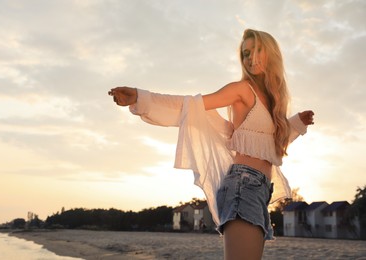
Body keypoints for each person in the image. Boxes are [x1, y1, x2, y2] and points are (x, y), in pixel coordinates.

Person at [109, 29, 314, 260]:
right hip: (243, 186)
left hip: (260, 190)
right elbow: (191, 105)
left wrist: (296, 123)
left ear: (271, 54)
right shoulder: (241, 90)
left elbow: (270, 145)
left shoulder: (275, 100)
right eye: (246, 53)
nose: (250, 58)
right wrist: (141, 97)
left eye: (257, 50)